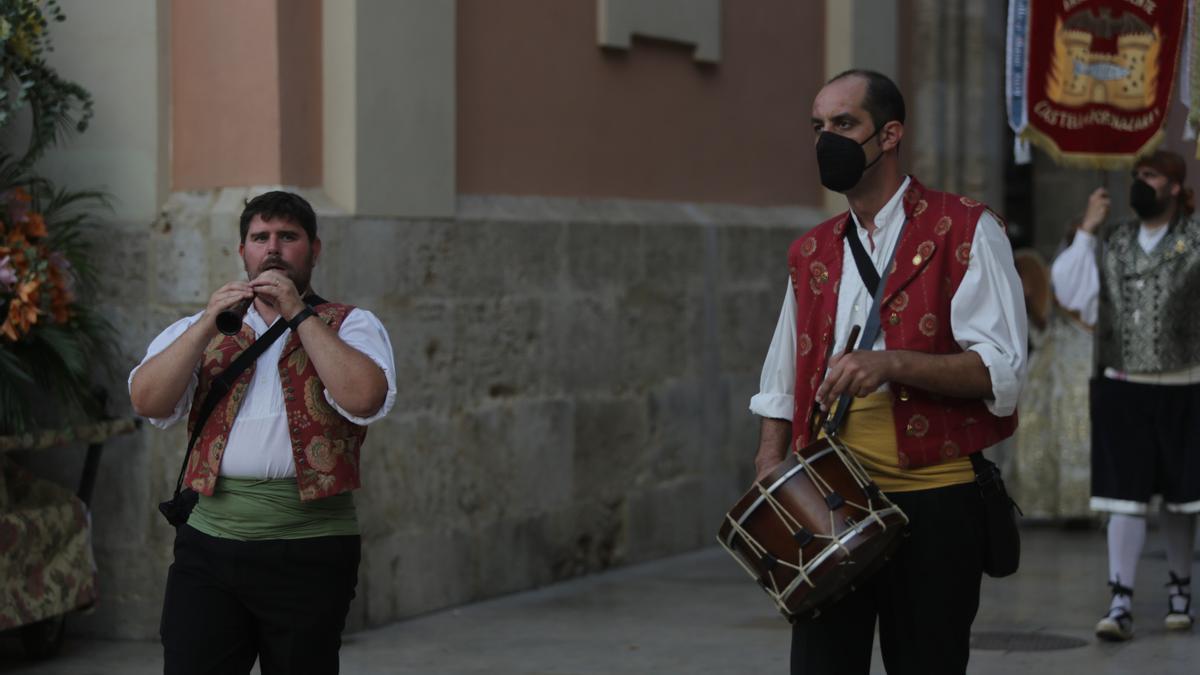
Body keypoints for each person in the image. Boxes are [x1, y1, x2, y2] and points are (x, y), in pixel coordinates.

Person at [750, 69, 1026, 674]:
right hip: (829, 501)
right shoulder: (812, 250)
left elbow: (1000, 370)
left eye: (844, 124)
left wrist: (892, 364)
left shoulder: (966, 228)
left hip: (936, 501)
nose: (827, 139)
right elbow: (782, 370)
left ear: (890, 133)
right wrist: (772, 464)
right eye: (819, 127)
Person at [129, 191, 397, 673]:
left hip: (310, 549)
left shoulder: (351, 324)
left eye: (287, 237)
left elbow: (364, 397)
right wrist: (207, 324)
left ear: (314, 250)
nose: (272, 248)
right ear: (243, 252)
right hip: (208, 544)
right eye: (260, 237)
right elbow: (148, 400)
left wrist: (298, 313)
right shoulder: (205, 326)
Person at [1051, 150, 1199, 641]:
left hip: (1185, 387)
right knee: (1123, 499)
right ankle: (1121, 601)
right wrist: (1089, 228)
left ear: (1175, 187)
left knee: (1182, 501)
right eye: (1136, 176)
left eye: (1150, 176)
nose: (1140, 184)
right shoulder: (1112, 241)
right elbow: (1071, 294)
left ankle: (1180, 593)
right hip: (1122, 387)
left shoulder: (1196, 240)